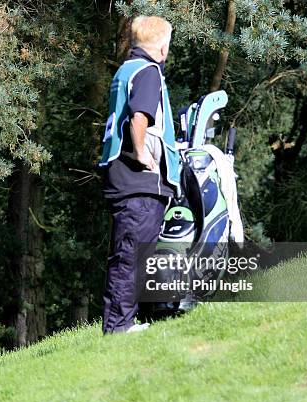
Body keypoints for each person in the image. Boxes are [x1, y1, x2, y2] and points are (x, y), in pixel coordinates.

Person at [99, 16, 180, 334]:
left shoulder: (126, 69)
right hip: (138, 178)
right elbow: (139, 117)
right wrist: (144, 154)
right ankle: (120, 326)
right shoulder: (148, 72)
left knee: (127, 252)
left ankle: (123, 320)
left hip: (122, 177)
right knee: (132, 254)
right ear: (163, 46)